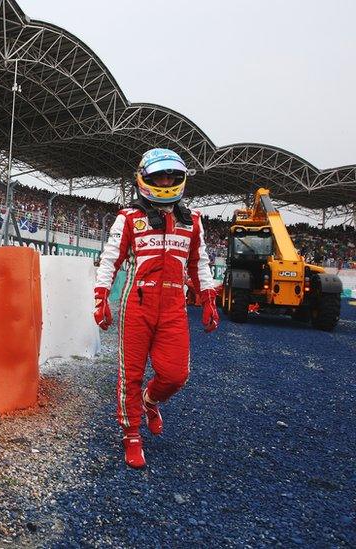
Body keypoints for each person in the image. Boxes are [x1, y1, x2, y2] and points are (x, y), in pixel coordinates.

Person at [93, 148, 219, 469]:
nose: (165, 182)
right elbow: (110, 260)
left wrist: (208, 300)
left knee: (177, 375)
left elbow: (199, 264)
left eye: (171, 176)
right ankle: (131, 434)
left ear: (180, 180)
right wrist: (101, 297)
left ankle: (151, 401)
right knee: (129, 375)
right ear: (145, 179)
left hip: (174, 308)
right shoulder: (129, 218)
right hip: (138, 305)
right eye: (159, 176)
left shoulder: (193, 222)